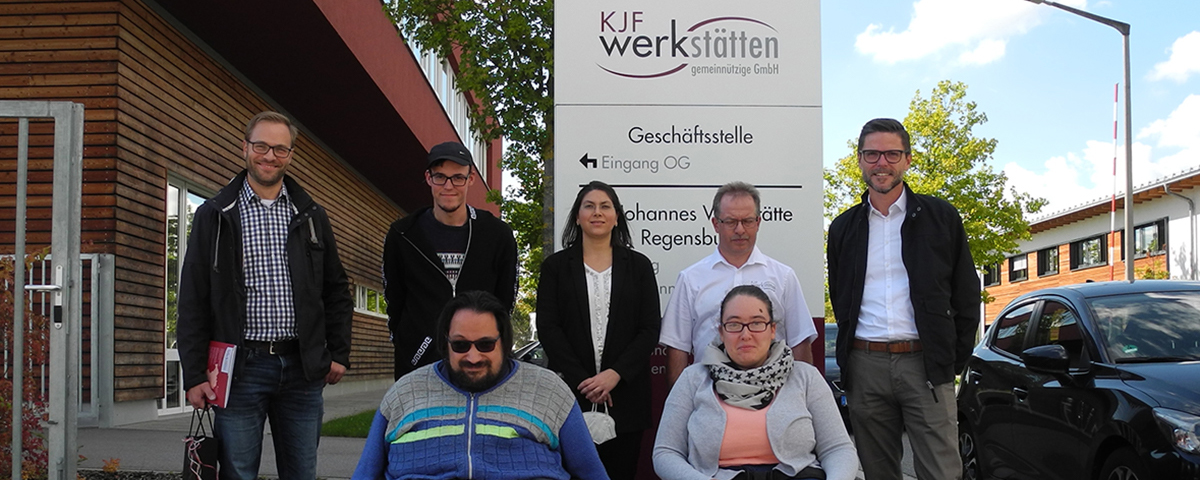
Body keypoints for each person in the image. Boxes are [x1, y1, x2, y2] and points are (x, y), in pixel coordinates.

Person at [177, 111, 353, 480]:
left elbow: (336, 288)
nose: (269, 156)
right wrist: (194, 374)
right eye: (261, 146)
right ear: (245, 147)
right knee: (238, 473)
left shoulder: (311, 215)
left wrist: (337, 352)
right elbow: (193, 298)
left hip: (302, 370)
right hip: (241, 370)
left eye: (279, 149)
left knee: (302, 472)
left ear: (290, 155)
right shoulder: (215, 215)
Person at [827, 118, 980, 480]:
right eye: (872, 154)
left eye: (892, 153)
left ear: (908, 160)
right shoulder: (843, 228)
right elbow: (840, 297)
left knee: (941, 472)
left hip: (926, 366)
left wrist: (950, 360)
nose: (882, 162)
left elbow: (966, 295)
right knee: (879, 473)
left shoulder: (941, 218)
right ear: (860, 160)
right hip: (866, 366)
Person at [352, 290, 610, 480]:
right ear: (446, 343)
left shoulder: (548, 390)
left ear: (505, 342)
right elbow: (366, 473)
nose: (473, 357)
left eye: (486, 344)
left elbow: (590, 472)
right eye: (461, 345)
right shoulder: (405, 392)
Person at [654, 285, 858, 480]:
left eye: (757, 323)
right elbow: (666, 452)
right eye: (734, 324)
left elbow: (838, 448)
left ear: (772, 330)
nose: (745, 334)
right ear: (721, 331)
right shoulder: (693, 379)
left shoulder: (806, 377)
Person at [536, 181, 662, 478]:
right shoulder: (555, 267)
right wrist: (585, 381)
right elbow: (549, 328)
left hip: (626, 398)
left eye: (605, 206)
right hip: (570, 396)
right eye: (589, 206)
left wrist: (614, 375)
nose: (597, 212)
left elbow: (649, 328)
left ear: (617, 216)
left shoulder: (639, 266)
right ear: (577, 216)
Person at [661, 182, 817, 389]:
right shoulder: (691, 279)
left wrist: (800, 396)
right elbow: (677, 348)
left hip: (773, 396)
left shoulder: (783, 276)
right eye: (731, 221)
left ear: (758, 222)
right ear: (716, 224)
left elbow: (799, 342)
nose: (740, 229)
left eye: (748, 221)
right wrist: (680, 401)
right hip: (708, 396)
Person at [383, 141, 518, 379]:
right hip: (419, 359)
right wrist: (412, 344)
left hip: (478, 358)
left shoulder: (496, 234)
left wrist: (490, 342)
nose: (448, 186)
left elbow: (505, 298)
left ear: (470, 179)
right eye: (440, 177)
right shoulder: (404, 234)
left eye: (457, 178)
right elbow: (394, 298)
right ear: (428, 178)